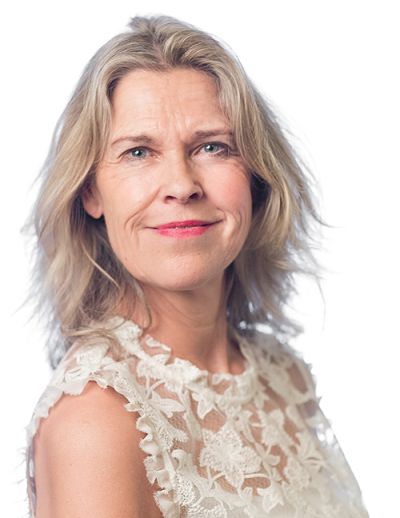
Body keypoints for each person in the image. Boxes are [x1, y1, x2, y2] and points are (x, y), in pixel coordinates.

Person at [23, 15, 369, 518]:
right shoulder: (95, 421)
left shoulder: (284, 378)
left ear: (256, 176)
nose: (182, 185)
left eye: (212, 147)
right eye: (138, 152)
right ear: (90, 192)